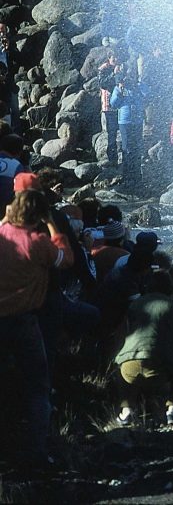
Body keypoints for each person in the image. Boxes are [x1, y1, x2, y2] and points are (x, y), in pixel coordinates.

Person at [0, 189, 74, 469]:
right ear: (40, 216)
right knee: (37, 387)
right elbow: (66, 259)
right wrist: (54, 225)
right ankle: (37, 453)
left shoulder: (3, 233)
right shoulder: (38, 242)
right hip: (23, 321)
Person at [114, 269, 173, 426]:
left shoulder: (134, 304)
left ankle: (126, 413)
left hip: (127, 366)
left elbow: (121, 334)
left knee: (126, 376)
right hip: (160, 365)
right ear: (171, 289)